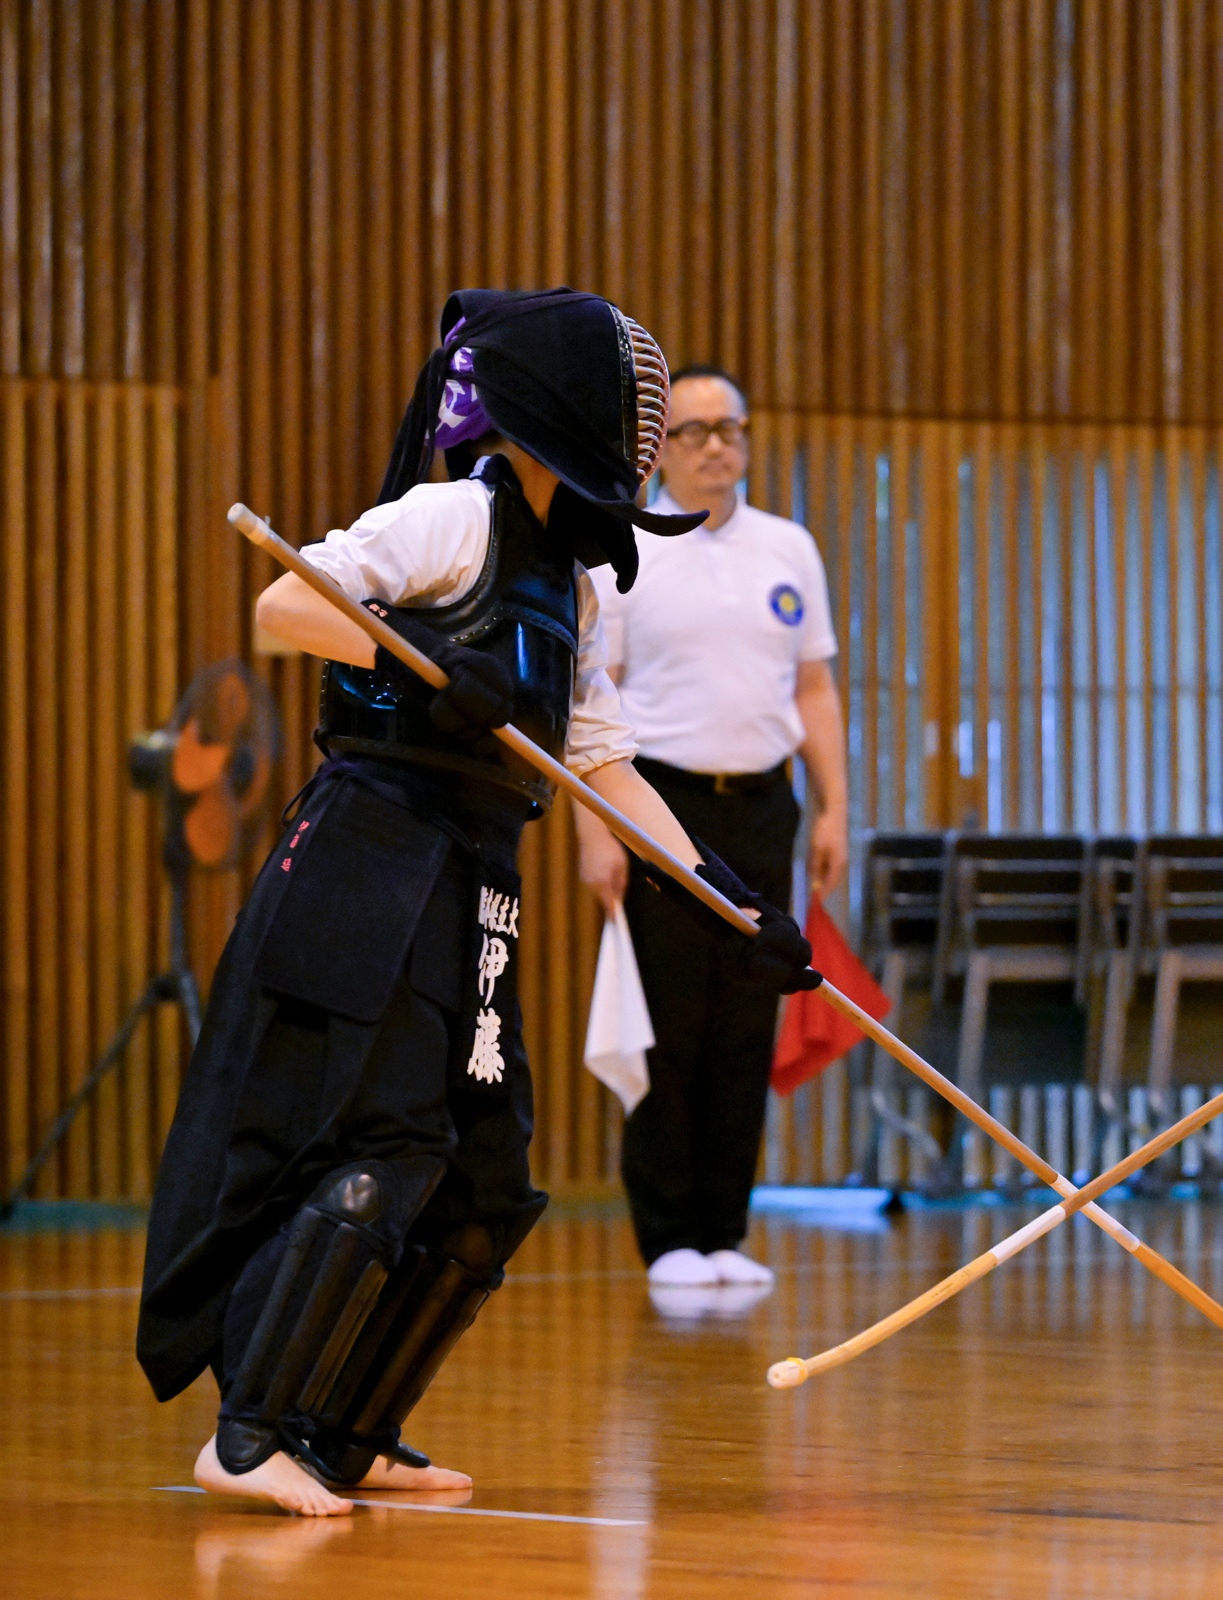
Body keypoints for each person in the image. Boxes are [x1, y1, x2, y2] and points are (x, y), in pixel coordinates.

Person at [137, 289, 819, 1516]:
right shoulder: (451, 515)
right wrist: (424, 663)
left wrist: (733, 903)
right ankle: (248, 1434)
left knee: (486, 1178)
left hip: (476, 877)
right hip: (370, 860)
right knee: (387, 1141)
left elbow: (602, 760)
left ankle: (347, 1429)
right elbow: (287, 604)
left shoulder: (579, 586)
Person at [573, 364, 848, 1289]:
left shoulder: (789, 548)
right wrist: (597, 832)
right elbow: (590, 699)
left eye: (728, 428)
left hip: (764, 805)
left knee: (744, 1024)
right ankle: (668, 1240)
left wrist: (835, 804)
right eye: (692, 431)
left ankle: (725, 1232)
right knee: (671, 1024)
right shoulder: (625, 550)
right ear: (661, 450)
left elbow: (814, 686)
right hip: (660, 806)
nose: (715, 446)